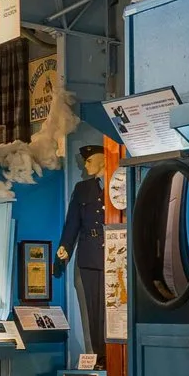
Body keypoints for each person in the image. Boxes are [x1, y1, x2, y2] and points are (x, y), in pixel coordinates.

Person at [57, 144, 110, 342]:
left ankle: (119, 354)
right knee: (93, 309)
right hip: (89, 254)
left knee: (116, 307)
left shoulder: (119, 183)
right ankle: (100, 354)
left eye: (89, 161)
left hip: (115, 252)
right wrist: (65, 247)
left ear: (102, 160)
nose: (85, 166)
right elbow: (73, 222)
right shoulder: (82, 189)